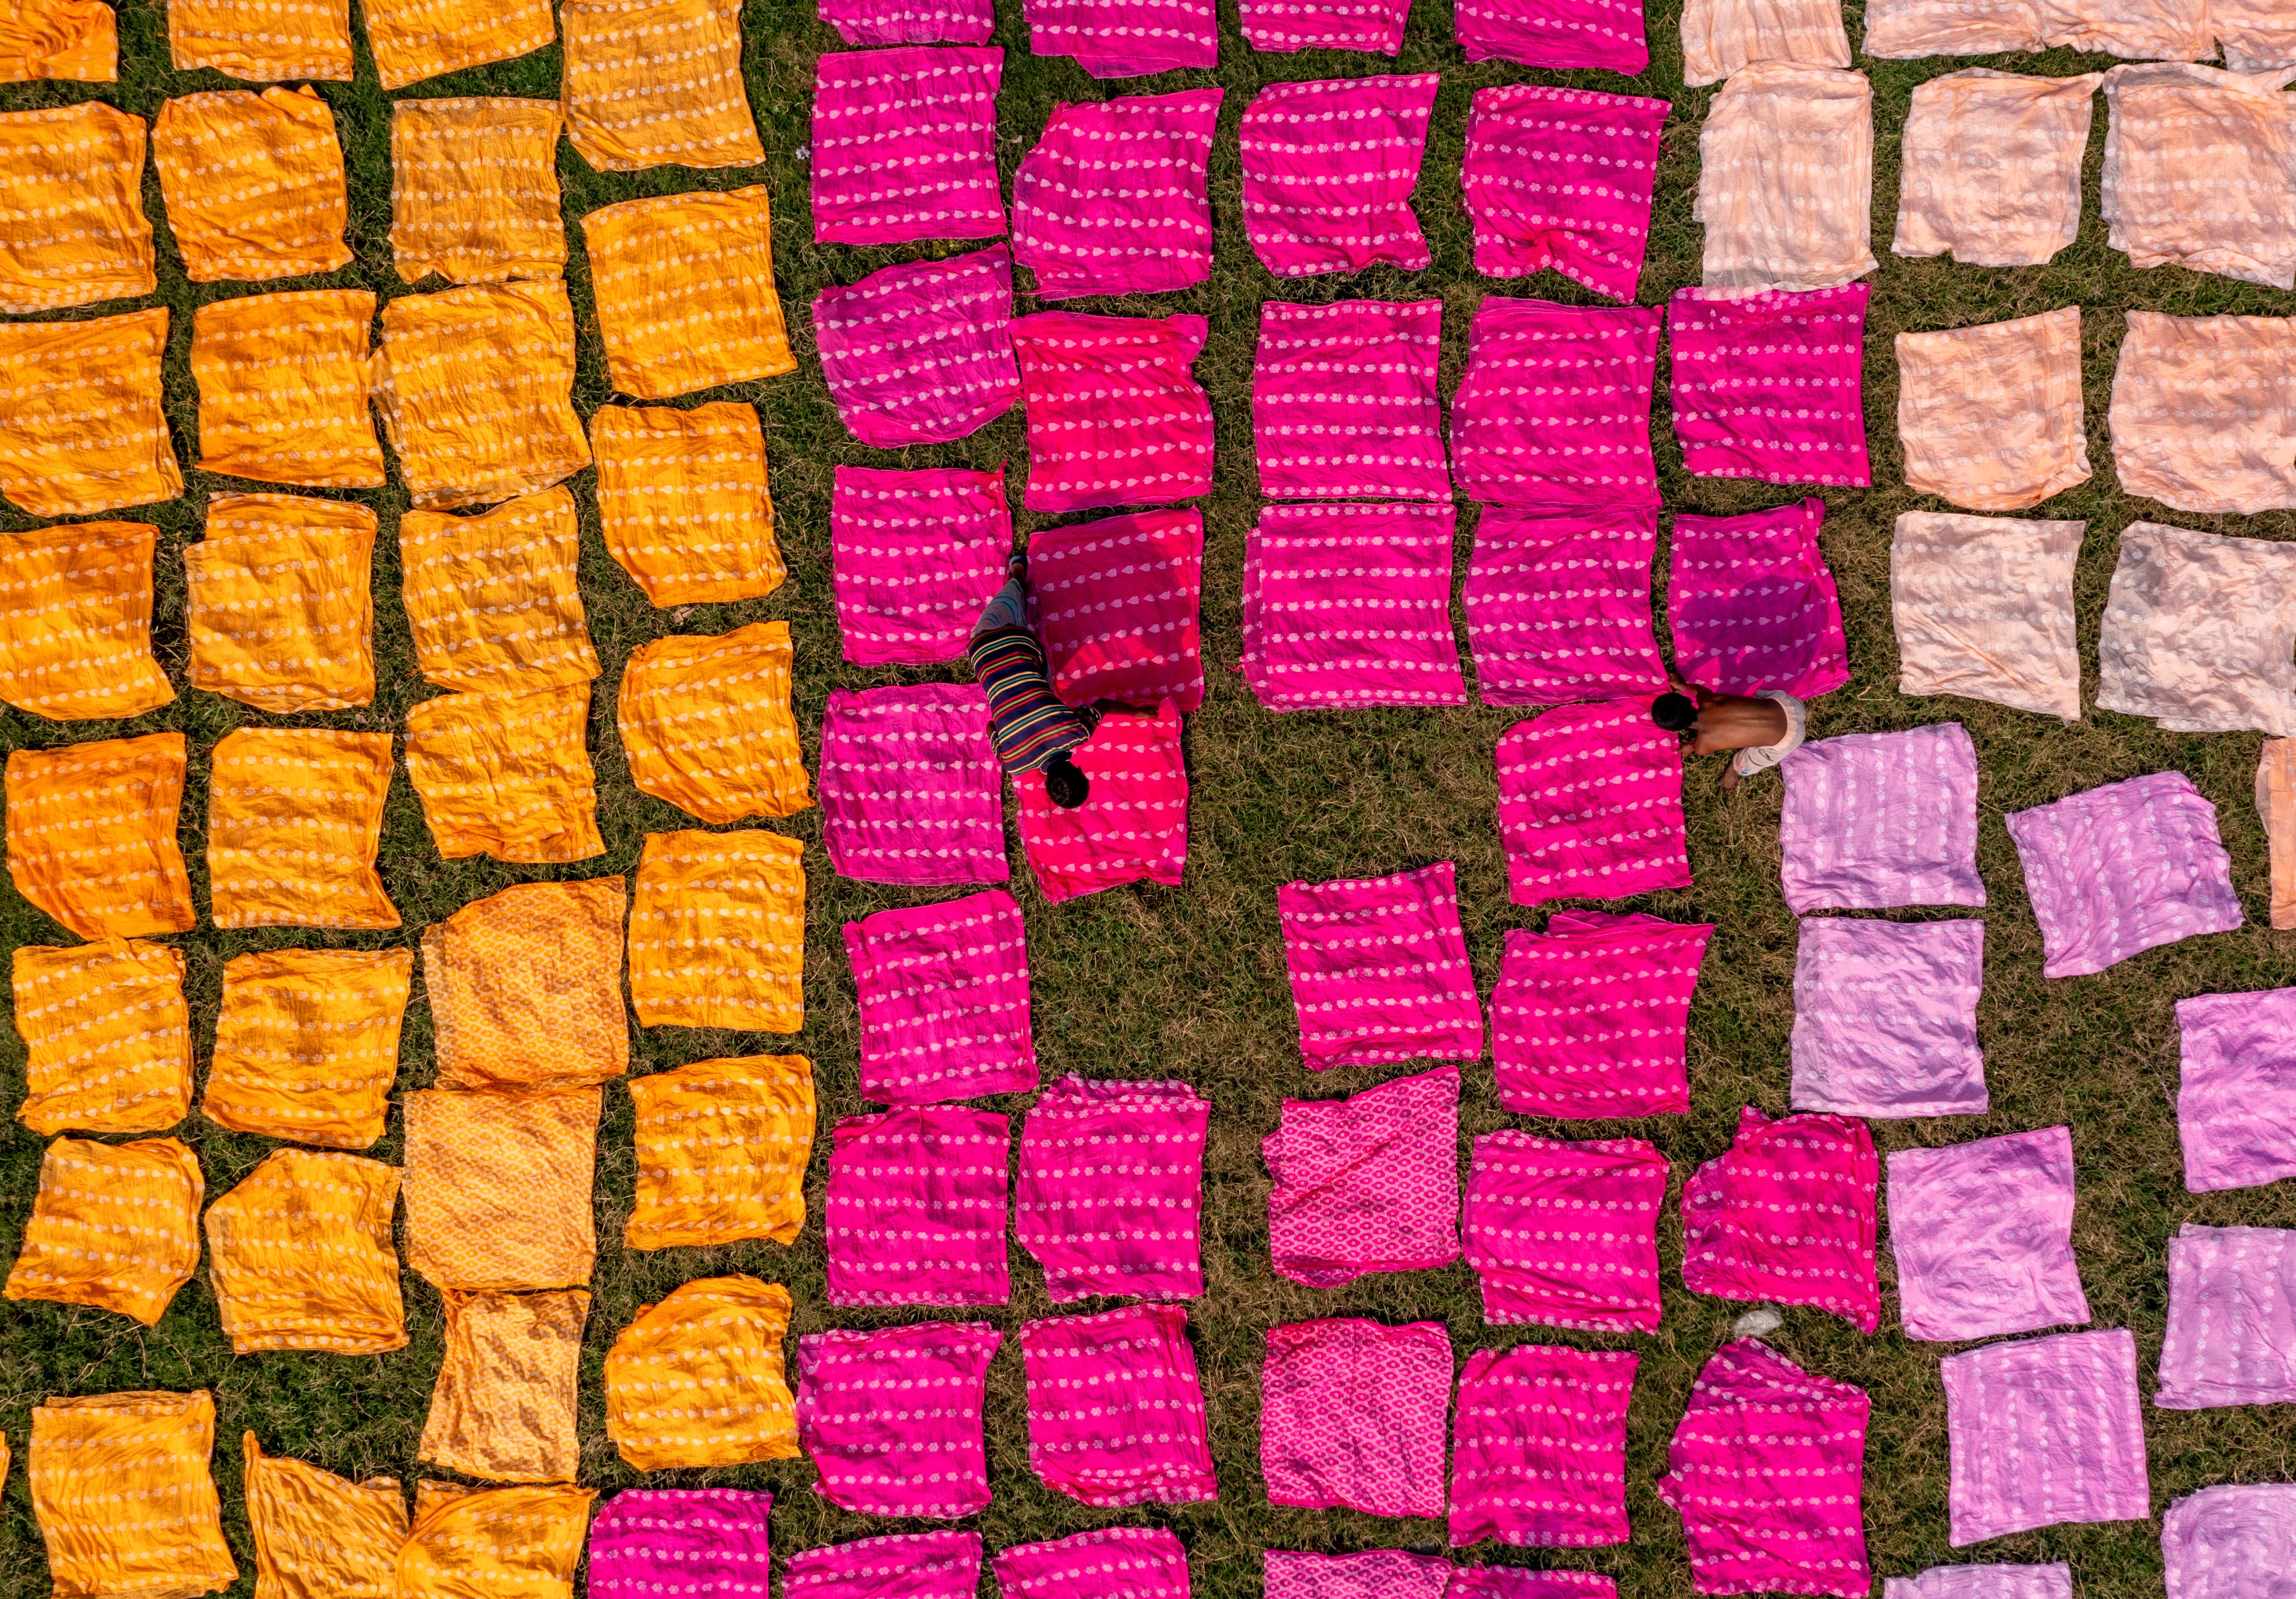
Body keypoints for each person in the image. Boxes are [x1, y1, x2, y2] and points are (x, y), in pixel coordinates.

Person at [969, 554, 1097, 808]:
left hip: (1014, 642)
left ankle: (1017, 571)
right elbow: (991, 727)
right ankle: (1016, 598)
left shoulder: (1078, 732)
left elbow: (1104, 706)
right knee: (1009, 618)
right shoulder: (1013, 764)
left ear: (1078, 768)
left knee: (1013, 604)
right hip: (979, 652)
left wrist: (1144, 713)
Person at [1651, 685, 1806, 793]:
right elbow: (1698, 690)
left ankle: (1734, 771)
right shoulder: (1708, 700)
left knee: (1748, 761)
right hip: (1790, 705)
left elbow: (1696, 748)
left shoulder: (1703, 745)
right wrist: (1682, 685)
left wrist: (1689, 747)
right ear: (1686, 700)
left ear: (1675, 730)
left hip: (1790, 738)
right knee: (1758, 701)